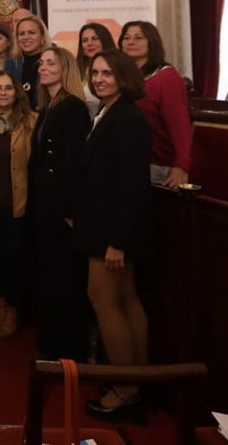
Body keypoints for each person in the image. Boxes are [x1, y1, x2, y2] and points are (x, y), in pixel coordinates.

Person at [76, 49, 153, 421]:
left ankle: (124, 390)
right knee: (125, 301)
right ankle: (136, 382)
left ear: (124, 77)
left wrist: (117, 241)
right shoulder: (107, 112)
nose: (100, 78)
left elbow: (132, 187)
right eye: (96, 73)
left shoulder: (129, 120)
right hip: (105, 227)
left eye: (107, 73)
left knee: (106, 302)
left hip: (113, 233)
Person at [28, 45, 91, 360]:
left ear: (65, 68)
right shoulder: (48, 106)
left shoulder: (73, 108)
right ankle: (51, 345)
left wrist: (70, 209)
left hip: (60, 209)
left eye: (50, 62)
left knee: (64, 279)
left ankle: (67, 351)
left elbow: (75, 164)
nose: (42, 66)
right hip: (44, 204)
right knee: (49, 275)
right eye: (41, 62)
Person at [0, 69, 36, 339]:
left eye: (8, 88)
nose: (3, 92)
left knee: (13, 259)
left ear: (17, 92)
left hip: (16, 202)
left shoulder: (30, 121)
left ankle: (12, 311)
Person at [120, 21, 192, 189]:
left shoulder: (166, 77)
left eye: (138, 38)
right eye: (126, 38)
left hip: (157, 166)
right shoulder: (122, 77)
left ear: (152, 42)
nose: (131, 42)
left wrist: (182, 166)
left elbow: (179, 124)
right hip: (124, 162)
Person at [76, 23, 117, 117]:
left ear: (105, 40)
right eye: (85, 40)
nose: (89, 44)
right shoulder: (76, 71)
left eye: (95, 38)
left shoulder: (118, 69)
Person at [13, 15, 52, 97]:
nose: (26, 37)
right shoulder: (11, 64)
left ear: (42, 37)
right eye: (21, 33)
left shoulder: (53, 63)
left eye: (32, 32)